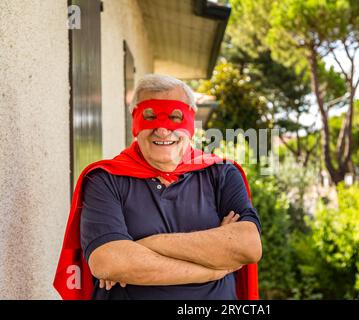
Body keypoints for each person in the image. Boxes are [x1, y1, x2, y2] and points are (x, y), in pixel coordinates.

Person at [53, 74, 262, 300]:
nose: (162, 130)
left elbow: (248, 246)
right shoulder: (105, 179)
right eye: (150, 116)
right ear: (135, 123)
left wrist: (143, 246)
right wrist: (212, 270)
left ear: (191, 123)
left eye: (175, 117)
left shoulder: (222, 174)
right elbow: (108, 261)